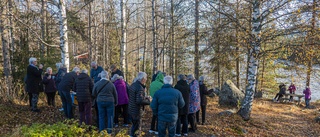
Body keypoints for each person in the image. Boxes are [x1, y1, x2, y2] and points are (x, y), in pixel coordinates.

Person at [128, 72, 150, 137]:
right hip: (136, 111)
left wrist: (144, 97)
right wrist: (149, 101)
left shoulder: (133, 85)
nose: (146, 79)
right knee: (136, 128)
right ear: (143, 78)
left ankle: (132, 135)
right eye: (146, 78)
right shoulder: (140, 87)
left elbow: (135, 97)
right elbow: (139, 101)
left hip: (131, 109)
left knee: (134, 126)